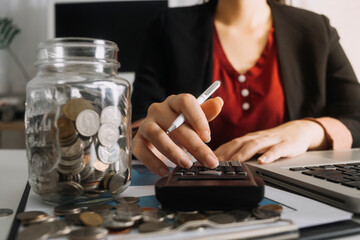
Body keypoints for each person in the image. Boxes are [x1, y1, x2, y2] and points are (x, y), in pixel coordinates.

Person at [131, 0, 360, 177]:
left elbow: (356, 117)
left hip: (302, 193)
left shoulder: (315, 29)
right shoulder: (168, 27)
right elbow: (139, 126)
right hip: (196, 188)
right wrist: (149, 133)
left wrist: (309, 130)